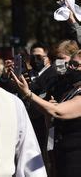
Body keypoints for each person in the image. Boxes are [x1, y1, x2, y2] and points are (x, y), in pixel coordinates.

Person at [12, 49, 81, 177]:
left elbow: (58, 112)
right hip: (61, 155)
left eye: (76, 65)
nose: (71, 67)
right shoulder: (72, 89)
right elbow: (52, 115)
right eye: (71, 63)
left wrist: (28, 94)